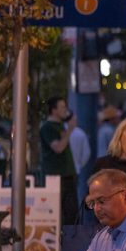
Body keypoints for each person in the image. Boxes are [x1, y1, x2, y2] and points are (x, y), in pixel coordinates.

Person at [40, 96, 79, 225]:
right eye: (62, 107)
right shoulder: (47, 127)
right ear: (54, 110)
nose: (65, 110)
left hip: (68, 175)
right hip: (55, 176)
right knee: (57, 213)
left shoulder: (61, 126)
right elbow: (58, 147)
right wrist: (70, 130)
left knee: (72, 212)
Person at [69, 123, 92, 204]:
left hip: (61, 171)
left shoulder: (61, 132)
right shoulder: (80, 133)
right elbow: (86, 153)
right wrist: (79, 164)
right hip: (76, 169)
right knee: (73, 197)